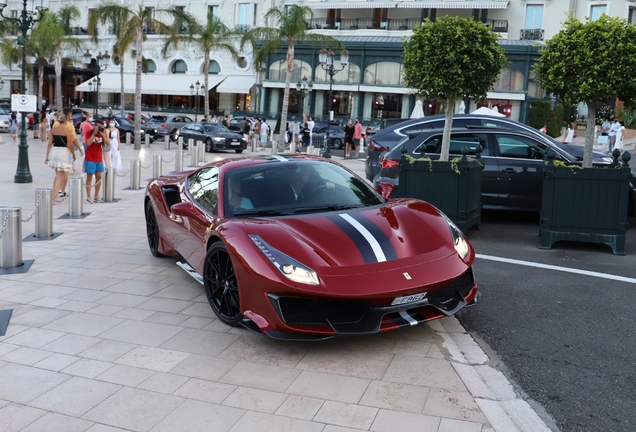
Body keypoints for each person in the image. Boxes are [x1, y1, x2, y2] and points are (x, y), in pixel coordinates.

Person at [44, 113, 75, 204]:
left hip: (54, 152)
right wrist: (73, 154)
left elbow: (49, 144)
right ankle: (54, 199)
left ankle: (53, 195)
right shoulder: (66, 131)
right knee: (59, 177)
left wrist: (47, 156)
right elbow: (70, 145)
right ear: (65, 121)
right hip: (63, 153)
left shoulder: (53, 130)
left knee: (57, 175)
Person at [85, 118, 110, 204]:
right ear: (95, 126)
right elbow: (88, 143)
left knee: (98, 177)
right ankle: (88, 196)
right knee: (89, 177)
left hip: (99, 159)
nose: (99, 128)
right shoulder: (90, 132)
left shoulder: (102, 133)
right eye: (98, 126)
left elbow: (108, 143)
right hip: (90, 158)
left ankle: (96, 195)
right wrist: (94, 134)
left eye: (101, 126)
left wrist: (103, 135)